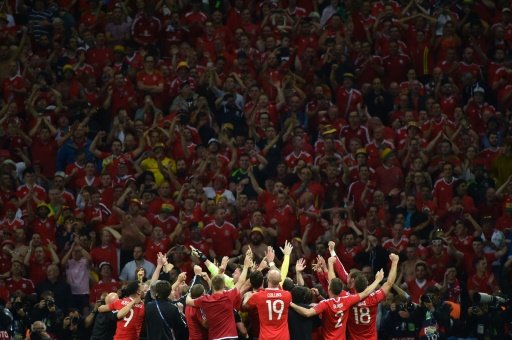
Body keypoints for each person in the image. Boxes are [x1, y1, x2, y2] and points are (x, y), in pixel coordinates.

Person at [289, 258, 384, 340]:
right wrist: (377, 280)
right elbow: (366, 293)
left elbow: (308, 312)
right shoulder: (347, 300)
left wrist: (290, 303)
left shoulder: (327, 303)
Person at [186, 250, 252, 340]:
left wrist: (190, 291)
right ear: (224, 285)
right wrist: (246, 267)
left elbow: (188, 301)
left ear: (212, 285)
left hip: (215, 337)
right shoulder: (229, 295)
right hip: (231, 336)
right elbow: (241, 282)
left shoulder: (205, 299)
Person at [347, 253, 400, 340]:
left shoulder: (349, 299)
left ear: (353, 285)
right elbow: (389, 283)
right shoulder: (374, 298)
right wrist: (394, 262)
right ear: (367, 285)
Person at [243, 269, 292, 339]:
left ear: (267, 280)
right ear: (280, 280)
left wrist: (247, 296)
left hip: (265, 337)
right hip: (283, 337)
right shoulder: (287, 295)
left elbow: (245, 306)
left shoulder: (258, 296)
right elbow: (280, 290)